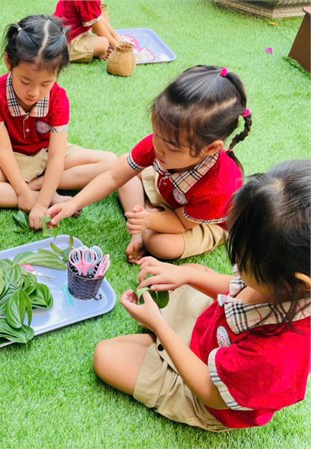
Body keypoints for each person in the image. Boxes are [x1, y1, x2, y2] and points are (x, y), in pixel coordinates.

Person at [93, 160, 311, 431]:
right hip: (209, 331)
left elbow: (210, 392)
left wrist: (159, 327)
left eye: (243, 259)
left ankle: (162, 340)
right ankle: (164, 336)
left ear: (294, 282)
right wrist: (185, 275)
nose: (236, 262)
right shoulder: (287, 284)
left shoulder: (278, 357)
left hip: (205, 395)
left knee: (106, 356)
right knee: (189, 273)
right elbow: (235, 286)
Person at [48, 65, 251, 262]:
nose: (158, 148)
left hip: (196, 221)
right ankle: (143, 223)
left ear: (211, 149)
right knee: (123, 166)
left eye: (172, 147)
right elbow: (114, 177)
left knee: (159, 244)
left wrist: (148, 220)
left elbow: (181, 223)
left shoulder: (220, 186)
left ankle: (147, 218)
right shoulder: (164, 145)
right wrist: (74, 203)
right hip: (169, 191)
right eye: (157, 134)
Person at [0, 15, 116, 230]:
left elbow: (56, 156)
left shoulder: (58, 98)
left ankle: (41, 187)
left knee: (111, 162)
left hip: (48, 153)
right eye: (25, 81)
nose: (34, 92)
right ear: (8, 62)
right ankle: (45, 194)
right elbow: (3, 150)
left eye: (46, 83)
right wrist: (24, 194)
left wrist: (41, 203)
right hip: (13, 157)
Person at [53, 0, 121, 62]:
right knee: (104, 43)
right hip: (63, 43)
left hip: (71, 31)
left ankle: (97, 51)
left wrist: (117, 38)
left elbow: (98, 17)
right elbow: (97, 27)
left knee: (105, 40)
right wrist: (118, 48)